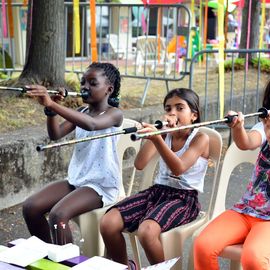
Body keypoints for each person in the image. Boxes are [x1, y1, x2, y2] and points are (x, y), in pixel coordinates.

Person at [100, 88, 210, 270]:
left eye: (179, 108)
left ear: (193, 115)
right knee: (108, 222)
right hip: (157, 192)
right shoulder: (164, 134)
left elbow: (179, 168)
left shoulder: (200, 138)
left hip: (184, 199)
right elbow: (140, 163)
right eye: (168, 109)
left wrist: (158, 139)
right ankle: (125, 266)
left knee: (147, 231)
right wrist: (154, 136)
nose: (172, 113)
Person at [22, 62, 123, 245]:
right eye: (83, 82)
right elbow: (55, 134)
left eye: (93, 83)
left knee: (58, 215)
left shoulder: (114, 114)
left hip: (100, 185)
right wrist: (51, 110)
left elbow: (91, 125)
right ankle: (49, 256)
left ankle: (67, 263)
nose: (85, 87)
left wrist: (51, 102)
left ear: (109, 89)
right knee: (31, 207)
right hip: (78, 180)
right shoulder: (82, 111)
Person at [194, 80, 270, 269]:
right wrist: (237, 127)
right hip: (246, 210)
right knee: (203, 245)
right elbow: (246, 143)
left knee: (253, 258)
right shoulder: (264, 127)